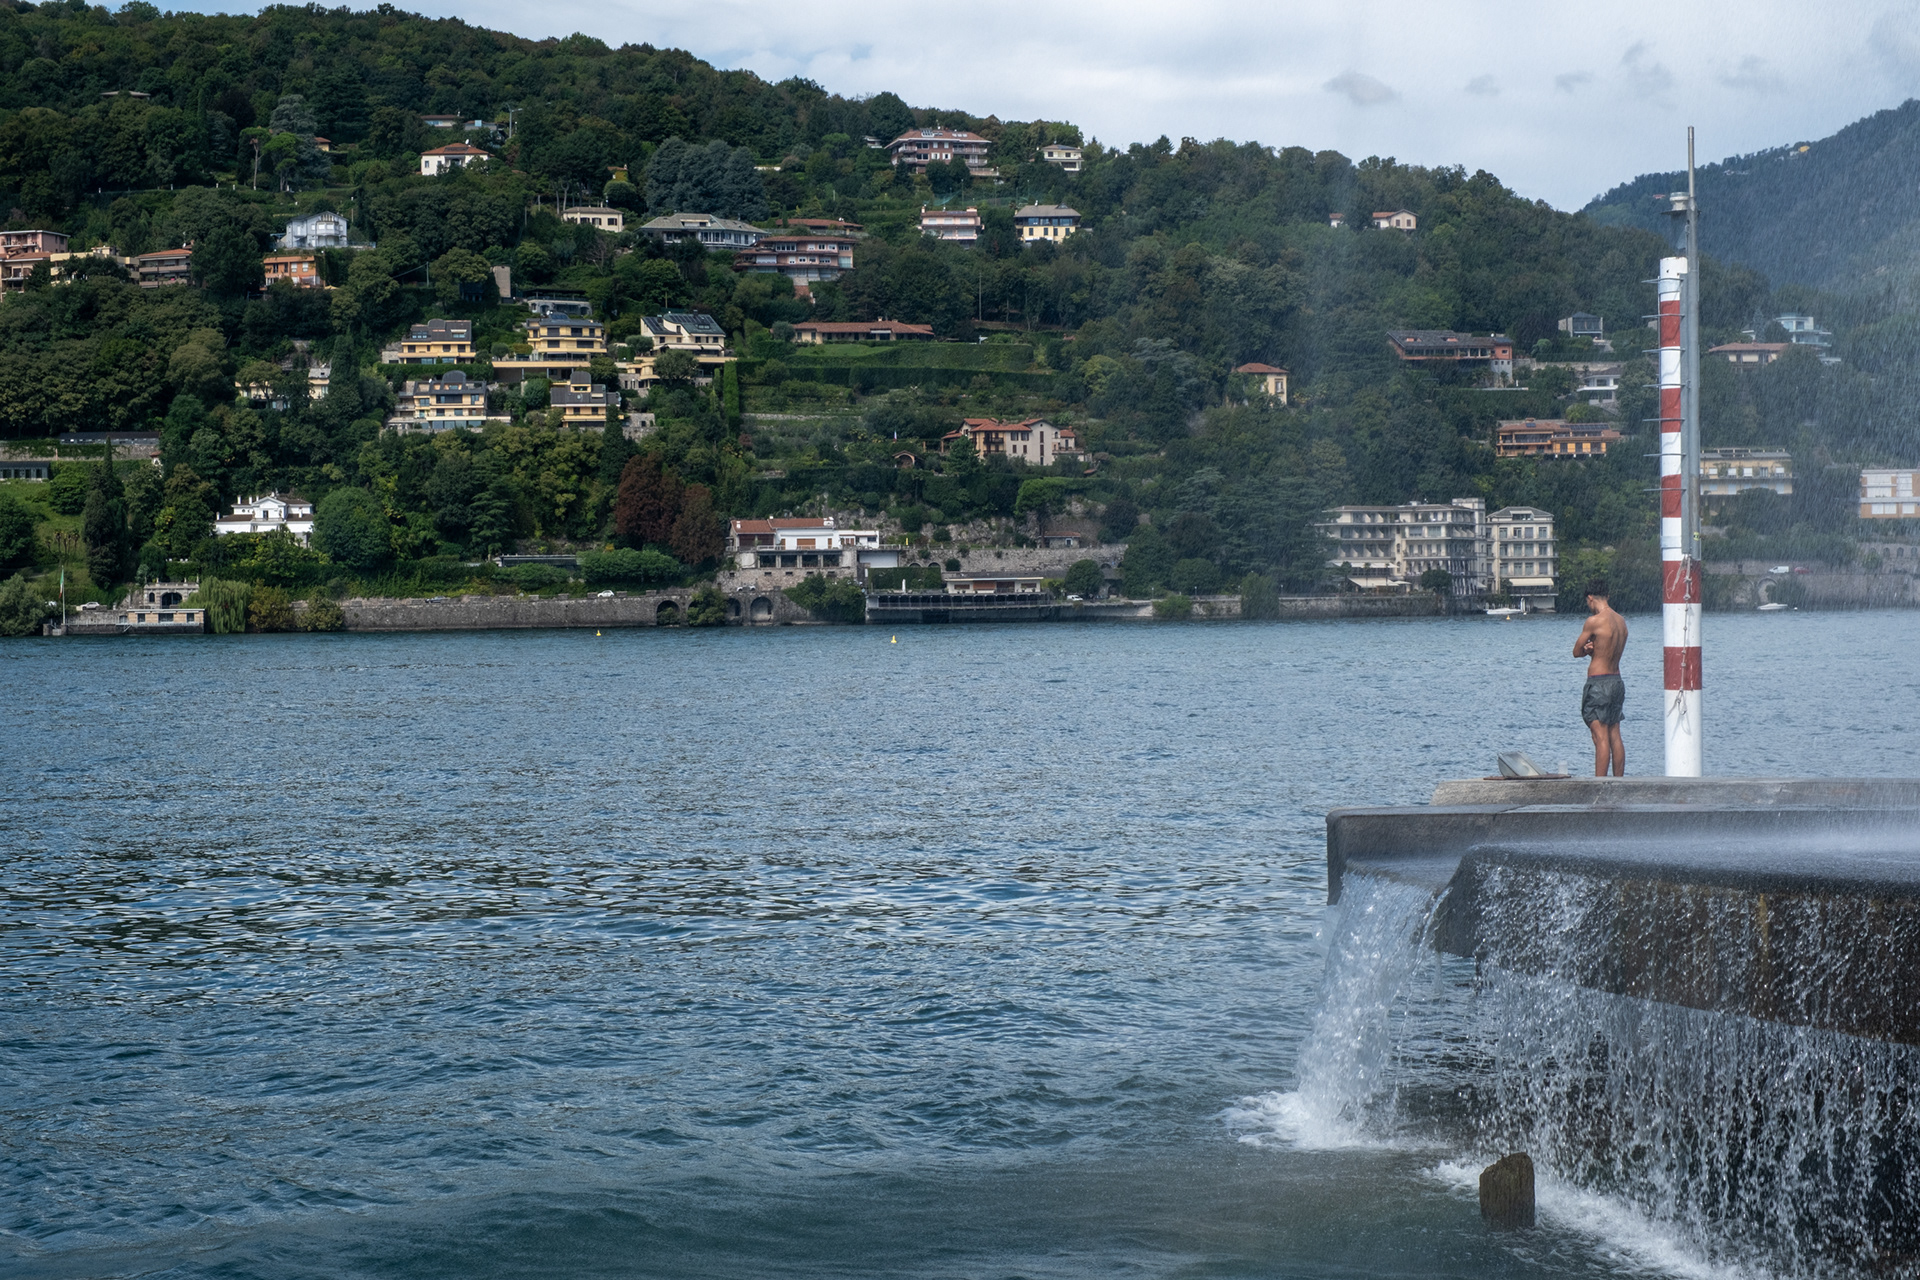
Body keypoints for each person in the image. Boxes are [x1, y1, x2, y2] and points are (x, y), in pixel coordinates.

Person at [1573, 578, 1628, 776]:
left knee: (1600, 736)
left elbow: (1576, 651)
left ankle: (1599, 785)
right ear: (1608, 596)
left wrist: (1587, 650)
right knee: (1615, 734)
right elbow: (1609, 649)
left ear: (1590, 598)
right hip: (1617, 681)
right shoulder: (1621, 622)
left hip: (1599, 682)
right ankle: (1619, 782)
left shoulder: (1594, 622)